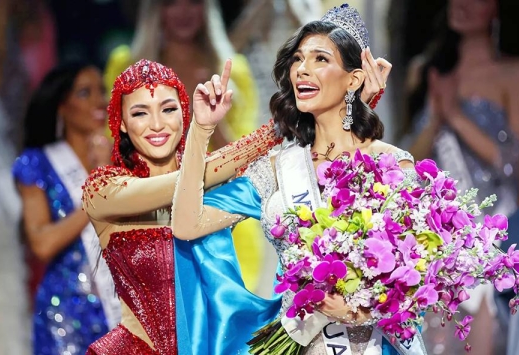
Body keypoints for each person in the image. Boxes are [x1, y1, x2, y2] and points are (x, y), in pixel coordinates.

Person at [171, 5, 426, 355]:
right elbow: (187, 224)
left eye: (320, 58)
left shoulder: (391, 164)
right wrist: (201, 128)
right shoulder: (279, 167)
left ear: (353, 79)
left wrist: (357, 311)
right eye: (298, 60)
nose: (303, 70)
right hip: (301, 342)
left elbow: (419, 281)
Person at [81, 59, 283, 354]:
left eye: (168, 109)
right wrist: (277, 129)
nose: (157, 124)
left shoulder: (214, 187)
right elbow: (185, 183)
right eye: (140, 113)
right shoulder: (103, 191)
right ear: (122, 123)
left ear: (184, 111)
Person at [401, 0, 519, 353]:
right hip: (433, 233)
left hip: (490, 234)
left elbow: (515, 164)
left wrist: (456, 115)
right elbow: (404, 163)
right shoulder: (425, 71)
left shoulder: (514, 73)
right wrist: (435, 120)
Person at [12, 62, 118, 355]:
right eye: (85, 93)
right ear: (62, 106)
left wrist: (112, 167)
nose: (100, 101)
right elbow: (42, 244)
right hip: (65, 316)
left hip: (122, 308)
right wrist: (98, 192)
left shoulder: (125, 158)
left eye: (102, 91)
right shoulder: (38, 164)